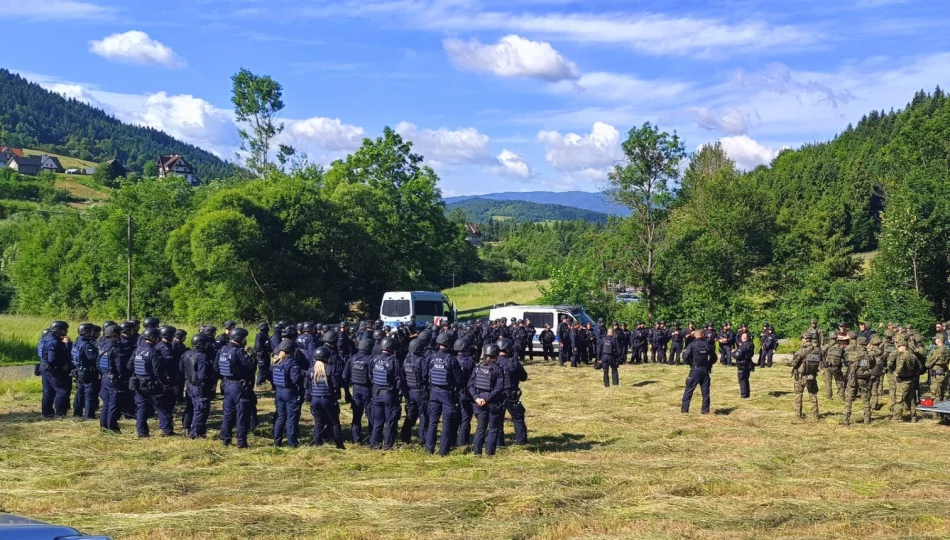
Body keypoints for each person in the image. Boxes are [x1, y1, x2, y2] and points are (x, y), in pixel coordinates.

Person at [130, 328, 175, 437]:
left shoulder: (137, 350)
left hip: (138, 384)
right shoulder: (154, 352)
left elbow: (129, 365)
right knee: (162, 407)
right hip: (152, 385)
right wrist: (164, 384)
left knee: (141, 409)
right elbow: (157, 371)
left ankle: (142, 433)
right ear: (154, 338)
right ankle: (167, 431)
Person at [216, 327, 256, 448]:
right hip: (238, 386)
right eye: (244, 338)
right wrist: (253, 355)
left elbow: (216, 367)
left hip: (226, 384)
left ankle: (225, 439)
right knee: (242, 414)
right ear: (240, 339)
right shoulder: (238, 352)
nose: (245, 340)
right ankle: (241, 442)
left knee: (228, 413)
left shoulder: (222, 350)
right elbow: (250, 366)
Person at [426, 333, 463, 456]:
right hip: (446, 393)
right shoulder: (451, 359)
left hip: (433, 392)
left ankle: (429, 448)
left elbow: (426, 374)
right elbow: (459, 379)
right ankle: (443, 451)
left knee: (432, 421)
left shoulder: (431, 357)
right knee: (446, 422)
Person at [469, 343, 504, 456]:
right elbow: (499, 387)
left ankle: (477, 452)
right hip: (493, 403)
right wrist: (487, 399)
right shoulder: (498, 369)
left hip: (479, 402)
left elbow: (470, 385)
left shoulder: (478, 367)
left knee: (480, 428)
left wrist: (477, 398)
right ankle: (490, 453)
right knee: (493, 429)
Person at [369, 337, 403, 450]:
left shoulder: (374, 359)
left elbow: (371, 376)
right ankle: (387, 445)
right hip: (389, 395)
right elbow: (399, 380)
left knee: (377, 422)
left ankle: (374, 444)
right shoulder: (394, 361)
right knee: (390, 422)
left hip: (376, 394)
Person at [181, 333, 217, 439]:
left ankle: (186, 426)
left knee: (190, 406)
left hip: (189, 385)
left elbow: (181, 368)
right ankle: (196, 433)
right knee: (201, 409)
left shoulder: (186, 354)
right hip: (199, 386)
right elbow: (203, 374)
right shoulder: (202, 356)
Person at [270, 339, 305, 447]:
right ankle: (292, 443)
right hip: (290, 393)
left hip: (279, 392)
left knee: (280, 417)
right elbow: (295, 379)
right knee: (291, 419)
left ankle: (277, 441)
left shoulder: (275, 362)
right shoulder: (292, 362)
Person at [310, 346, 345, 448]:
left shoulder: (311, 370)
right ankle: (339, 444)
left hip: (315, 399)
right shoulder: (330, 369)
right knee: (335, 422)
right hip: (327, 399)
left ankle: (317, 443)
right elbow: (336, 385)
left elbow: (307, 386)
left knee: (318, 422)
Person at [497, 338, 528, 445]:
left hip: (497, 395)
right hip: (511, 394)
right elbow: (523, 377)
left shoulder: (491, 361)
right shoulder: (512, 362)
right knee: (518, 418)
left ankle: (499, 443)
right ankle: (521, 441)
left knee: (497, 420)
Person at [97, 324, 128, 432]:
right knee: (114, 404)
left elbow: (98, 363)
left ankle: (103, 426)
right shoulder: (116, 348)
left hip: (105, 377)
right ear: (115, 334)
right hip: (114, 379)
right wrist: (124, 377)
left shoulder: (102, 346)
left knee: (106, 404)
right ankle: (112, 427)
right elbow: (120, 367)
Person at [345, 337, 376, 445]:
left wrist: (347, 391)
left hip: (355, 390)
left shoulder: (352, 358)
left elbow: (345, 376)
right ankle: (372, 439)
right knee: (371, 415)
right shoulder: (371, 359)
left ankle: (356, 439)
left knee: (356, 416)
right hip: (368, 390)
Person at [841, 335, 877, 426]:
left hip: (853, 379)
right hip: (864, 379)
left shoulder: (853, 354)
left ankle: (846, 419)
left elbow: (845, 357)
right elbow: (872, 365)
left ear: (858, 343)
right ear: (866, 344)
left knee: (849, 399)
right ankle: (867, 419)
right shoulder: (870, 355)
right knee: (866, 399)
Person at [400, 338, 428, 445]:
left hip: (410, 392)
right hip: (420, 392)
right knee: (423, 417)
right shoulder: (422, 361)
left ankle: (405, 436)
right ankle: (423, 440)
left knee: (410, 416)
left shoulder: (406, 361)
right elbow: (425, 377)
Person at [681, 330, 715, 414]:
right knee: (705, 391)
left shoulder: (692, 345)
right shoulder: (707, 345)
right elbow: (714, 357)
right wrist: (709, 364)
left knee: (689, 390)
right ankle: (705, 410)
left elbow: (685, 357)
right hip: (705, 370)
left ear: (694, 336)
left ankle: (684, 410)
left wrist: (690, 363)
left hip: (695, 370)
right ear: (703, 335)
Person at [71, 323, 100, 419]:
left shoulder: (76, 342)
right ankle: (89, 416)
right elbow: (93, 359)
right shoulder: (87, 345)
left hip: (78, 371)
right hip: (88, 373)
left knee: (79, 393)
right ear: (87, 332)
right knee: (89, 395)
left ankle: (77, 413)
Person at [791, 332, 822, 421]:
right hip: (812, 376)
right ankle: (815, 415)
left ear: (805, 339)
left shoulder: (801, 351)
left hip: (801, 376)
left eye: (802, 339)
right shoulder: (817, 352)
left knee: (798, 395)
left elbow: (793, 363)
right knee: (813, 395)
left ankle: (798, 415)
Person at [892, 336, 921, 422]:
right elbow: (919, 367)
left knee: (899, 399)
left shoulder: (903, 356)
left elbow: (899, 368)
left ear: (904, 347)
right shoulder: (913, 356)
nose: (898, 348)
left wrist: (896, 374)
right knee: (910, 398)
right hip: (911, 379)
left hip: (903, 380)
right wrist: (914, 374)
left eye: (899, 346)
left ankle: (897, 417)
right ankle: (914, 417)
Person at [455, 338, 476, 447]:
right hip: (465, 392)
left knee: (455, 417)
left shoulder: (452, 359)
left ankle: (453, 439)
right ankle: (463, 441)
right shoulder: (469, 361)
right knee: (465, 417)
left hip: (454, 393)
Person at [822, 330, 846, 400]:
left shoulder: (826, 346)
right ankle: (842, 396)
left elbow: (821, 354)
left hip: (828, 366)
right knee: (839, 381)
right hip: (837, 367)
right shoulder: (840, 347)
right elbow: (843, 356)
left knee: (828, 382)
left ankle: (829, 396)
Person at [926, 335, 950, 402]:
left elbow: (928, 363)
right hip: (944, 372)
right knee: (944, 392)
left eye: (936, 339)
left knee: (936, 393)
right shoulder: (947, 349)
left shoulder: (937, 351)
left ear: (939, 340)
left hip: (937, 374)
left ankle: (936, 412)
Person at [733, 332, 754, 398]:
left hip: (742, 364)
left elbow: (737, 355)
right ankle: (747, 394)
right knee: (746, 379)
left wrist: (733, 353)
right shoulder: (751, 344)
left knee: (742, 379)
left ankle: (744, 394)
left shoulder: (743, 346)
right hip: (748, 363)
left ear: (743, 338)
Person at [255, 322, 273, 389]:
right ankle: (259, 384)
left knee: (266, 369)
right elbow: (258, 347)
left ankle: (263, 382)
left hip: (266, 355)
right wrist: (266, 350)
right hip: (262, 356)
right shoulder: (260, 335)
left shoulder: (266, 335)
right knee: (262, 369)